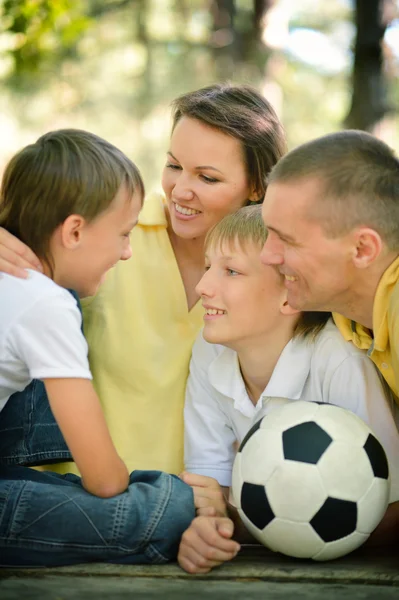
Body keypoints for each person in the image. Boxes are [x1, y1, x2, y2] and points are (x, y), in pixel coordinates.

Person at [0, 83, 286, 475]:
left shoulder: (279, 269)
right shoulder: (109, 234)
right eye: (173, 166)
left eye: (207, 178)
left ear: (256, 187)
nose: (180, 190)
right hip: (76, 494)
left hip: (192, 505)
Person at [0, 129, 195, 566]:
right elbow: (107, 484)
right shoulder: (45, 303)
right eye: (124, 234)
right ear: (74, 231)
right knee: (167, 507)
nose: (128, 252)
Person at [177, 205, 399, 574]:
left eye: (230, 271)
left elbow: (391, 506)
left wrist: (263, 529)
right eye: (207, 267)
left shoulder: (339, 361)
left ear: (289, 295)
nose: (202, 287)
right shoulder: (209, 349)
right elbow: (209, 487)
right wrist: (207, 527)